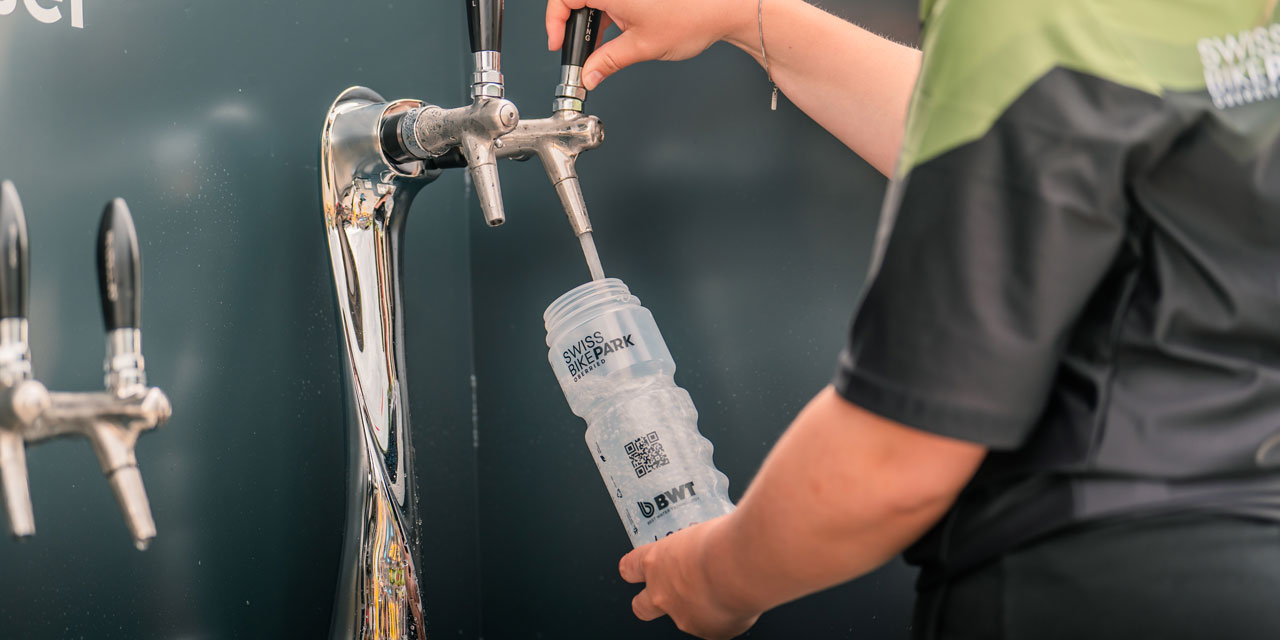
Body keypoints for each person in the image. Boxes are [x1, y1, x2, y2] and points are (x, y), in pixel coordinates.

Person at [545, 0, 1280, 638]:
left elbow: (900, 459)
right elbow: (1037, 141)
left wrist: (713, 576)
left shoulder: (1028, 18)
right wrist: (746, 16)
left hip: (1090, 590)